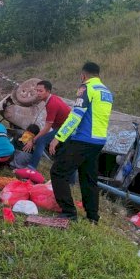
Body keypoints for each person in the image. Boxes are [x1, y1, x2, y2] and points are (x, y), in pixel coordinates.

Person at [48, 62, 113, 223]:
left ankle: (69, 212)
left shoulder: (86, 88)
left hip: (83, 139)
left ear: (83, 75)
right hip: (99, 141)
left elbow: (76, 115)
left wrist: (58, 137)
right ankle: (92, 216)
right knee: (88, 178)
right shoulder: (106, 92)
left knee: (58, 171)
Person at [22, 81, 72, 170]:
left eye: (40, 91)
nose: (38, 93)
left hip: (66, 128)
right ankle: (71, 180)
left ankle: (31, 167)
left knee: (41, 140)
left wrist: (33, 141)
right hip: (65, 127)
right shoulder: (52, 99)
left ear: (48, 91)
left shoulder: (52, 104)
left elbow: (47, 128)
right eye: (37, 90)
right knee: (65, 153)